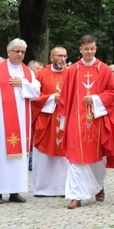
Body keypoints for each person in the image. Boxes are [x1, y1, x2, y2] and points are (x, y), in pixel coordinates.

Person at [57, 35, 114, 209]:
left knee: (97, 158)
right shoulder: (73, 70)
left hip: (98, 119)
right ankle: (76, 196)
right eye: (86, 49)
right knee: (75, 157)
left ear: (96, 48)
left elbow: (112, 91)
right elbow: (65, 96)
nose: (89, 52)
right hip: (76, 119)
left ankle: (98, 185)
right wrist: (64, 119)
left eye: (92, 48)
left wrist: (95, 99)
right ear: (80, 49)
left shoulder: (103, 69)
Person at [0, 38, 41, 204]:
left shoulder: (27, 72)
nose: (19, 54)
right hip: (2, 121)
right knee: (2, 155)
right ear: (8, 52)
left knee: (19, 158)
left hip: (22, 122)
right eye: (16, 51)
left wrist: (22, 82)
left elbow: (36, 91)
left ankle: (14, 191)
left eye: (22, 52)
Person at [31, 46, 69, 197]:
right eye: (58, 56)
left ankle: (65, 188)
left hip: (65, 118)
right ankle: (43, 189)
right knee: (44, 154)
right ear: (51, 57)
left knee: (65, 154)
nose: (62, 59)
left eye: (64, 56)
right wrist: (53, 97)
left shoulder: (71, 73)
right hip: (47, 119)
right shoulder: (41, 74)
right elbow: (33, 96)